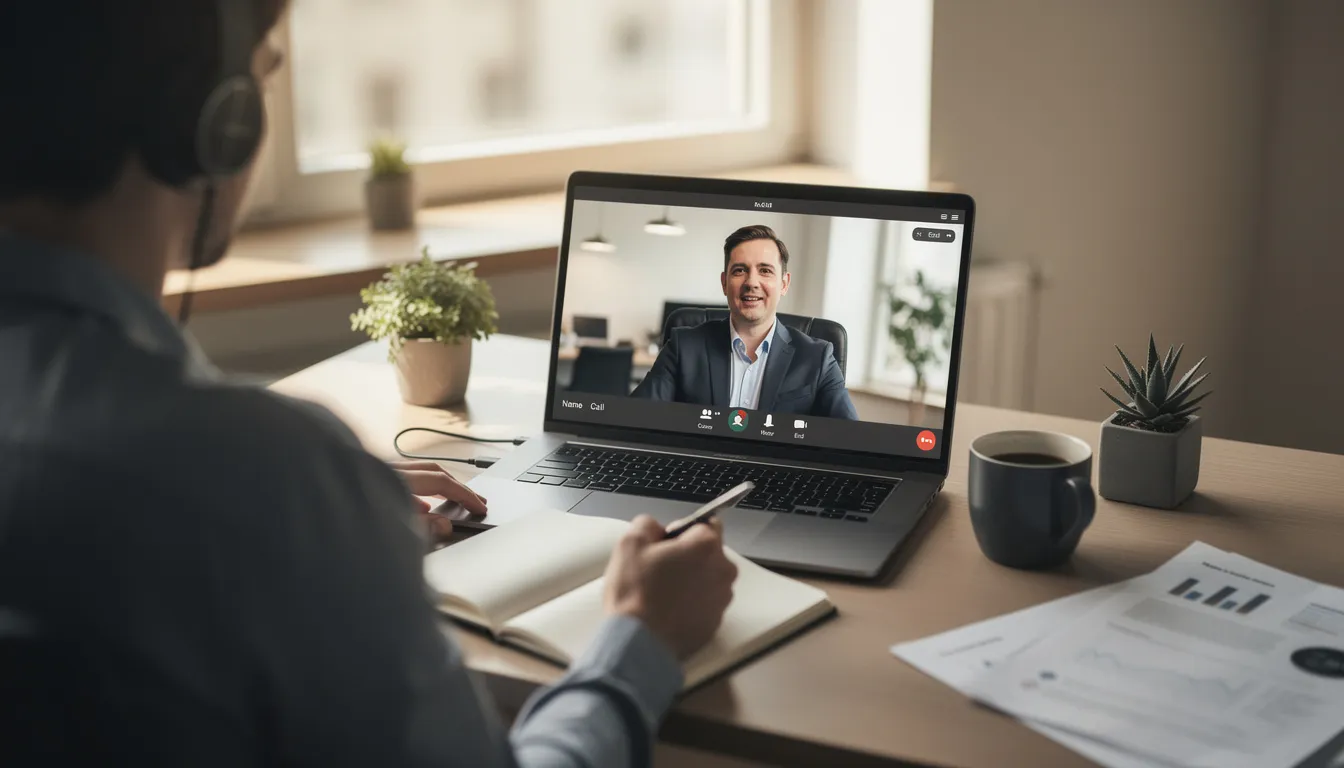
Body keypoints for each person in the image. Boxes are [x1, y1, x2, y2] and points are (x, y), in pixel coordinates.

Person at [0, 2, 737, 765]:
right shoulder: (263, 479)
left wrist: (332, 513)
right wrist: (640, 637)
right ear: (216, 123)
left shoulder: (254, 481)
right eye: (264, 80)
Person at [632, 225, 859, 420]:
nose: (752, 282)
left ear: (784, 284)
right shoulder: (683, 346)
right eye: (740, 270)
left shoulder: (817, 357)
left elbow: (849, 441)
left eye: (765, 270)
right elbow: (635, 417)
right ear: (724, 282)